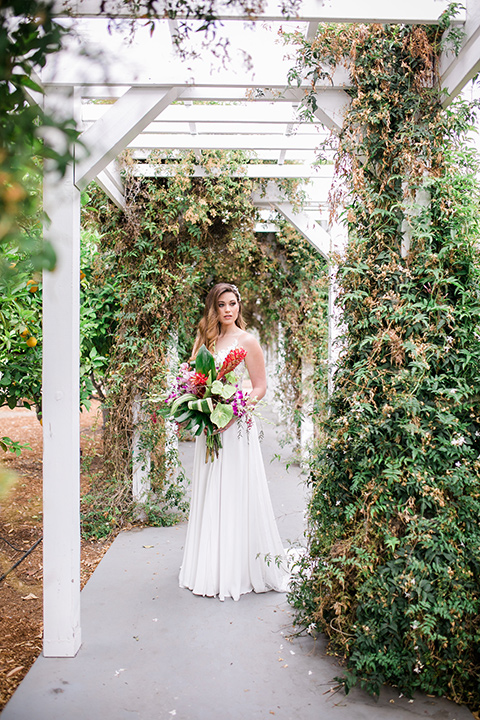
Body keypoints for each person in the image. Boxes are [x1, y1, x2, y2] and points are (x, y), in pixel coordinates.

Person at [179, 282, 289, 601]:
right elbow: (195, 381)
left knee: (233, 489)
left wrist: (234, 410)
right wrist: (203, 407)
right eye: (222, 305)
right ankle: (209, 566)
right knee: (211, 489)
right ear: (213, 309)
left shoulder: (247, 341)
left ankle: (237, 568)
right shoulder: (206, 340)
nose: (228, 310)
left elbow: (260, 386)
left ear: (239, 306)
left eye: (233, 304)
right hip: (211, 428)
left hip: (236, 427)